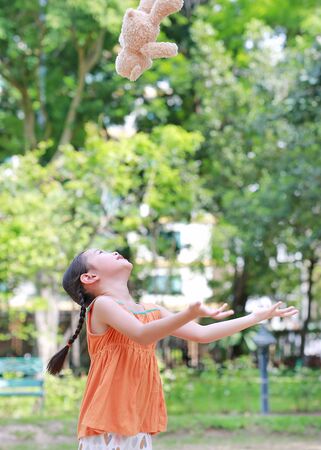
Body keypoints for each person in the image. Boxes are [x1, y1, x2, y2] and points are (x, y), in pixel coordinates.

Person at [46, 248, 299, 450]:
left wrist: (255, 317)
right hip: (105, 425)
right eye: (101, 253)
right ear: (89, 277)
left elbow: (202, 334)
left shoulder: (151, 309)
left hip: (136, 422)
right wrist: (188, 312)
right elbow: (142, 335)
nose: (112, 252)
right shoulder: (101, 306)